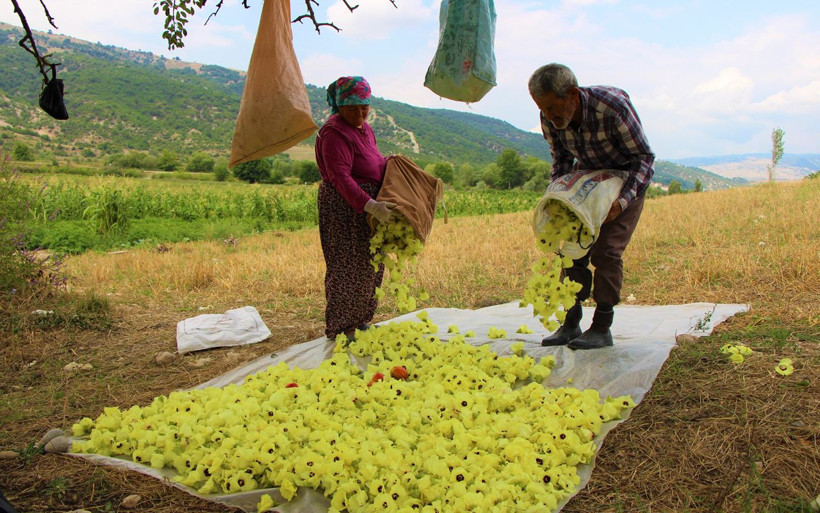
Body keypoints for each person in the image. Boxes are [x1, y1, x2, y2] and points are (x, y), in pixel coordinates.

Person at [529, 63, 655, 350]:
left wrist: (621, 203)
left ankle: (601, 327)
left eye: (552, 107)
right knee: (571, 252)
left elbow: (644, 159)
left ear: (572, 94)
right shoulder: (550, 116)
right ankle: (571, 323)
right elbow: (561, 161)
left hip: (625, 180)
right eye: (542, 109)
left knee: (607, 252)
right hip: (588, 182)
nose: (548, 116)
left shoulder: (612, 108)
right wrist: (556, 198)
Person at [315, 76, 397, 341]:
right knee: (347, 266)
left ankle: (361, 321)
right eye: (352, 108)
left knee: (370, 265)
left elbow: (371, 159)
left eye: (364, 107)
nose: (360, 113)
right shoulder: (333, 132)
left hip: (368, 209)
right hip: (345, 208)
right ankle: (341, 328)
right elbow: (340, 177)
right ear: (340, 106)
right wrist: (370, 205)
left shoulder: (365, 128)